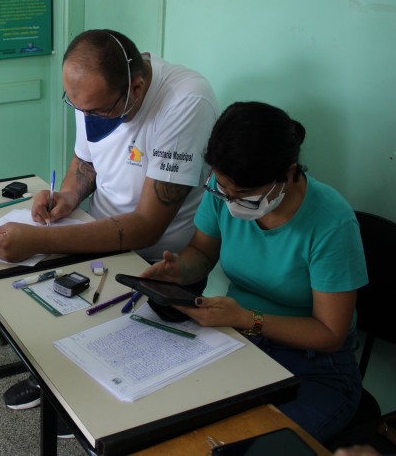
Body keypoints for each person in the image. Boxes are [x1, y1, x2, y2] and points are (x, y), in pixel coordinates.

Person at [0, 29, 219, 414]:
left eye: (96, 111)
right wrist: (69, 195)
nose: (86, 116)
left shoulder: (187, 100)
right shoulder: (93, 93)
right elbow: (86, 161)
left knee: (132, 364)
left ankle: (95, 412)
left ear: (136, 88)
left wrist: (42, 241)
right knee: (59, 318)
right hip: (101, 235)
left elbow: (146, 224)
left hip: (160, 262)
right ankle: (56, 385)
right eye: (78, 107)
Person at [140, 101, 368, 442]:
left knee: (242, 444)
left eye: (244, 195)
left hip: (315, 367)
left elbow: (330, 333)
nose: (230, 201)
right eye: (222, 189)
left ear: (288, 172)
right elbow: (202, 253)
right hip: (238, 340)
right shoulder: (223, 188)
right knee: (163, 418)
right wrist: (178, 270)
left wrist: (249, 318)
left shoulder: (331, 222)